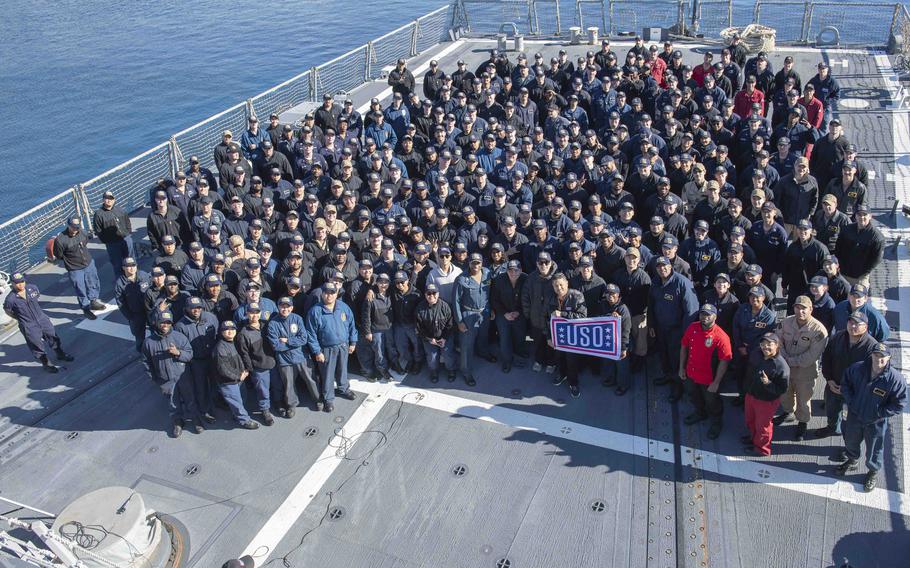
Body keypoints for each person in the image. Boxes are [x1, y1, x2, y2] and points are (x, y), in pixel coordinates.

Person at [837, 343, 907, 491]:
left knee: (875, 448)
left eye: (882, 357)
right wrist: (851, 402)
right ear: (871, 355)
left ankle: (873, 471)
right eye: (876, 355)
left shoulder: (895, 380)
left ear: (889, 358)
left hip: (876, 421)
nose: (878, 360)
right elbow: (845, 384)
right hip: (854, 416)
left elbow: (899, 404)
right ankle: (852, 459)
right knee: (850, 440)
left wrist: (880, 413)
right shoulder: (857, 369)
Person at [774, 296, 828, 441]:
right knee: (785, 392)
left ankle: (802, 422)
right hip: (785, 366)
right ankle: (788, 412)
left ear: (811, 309)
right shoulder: (785, 322)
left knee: (804, 398)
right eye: (797, 308)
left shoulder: (818, 330)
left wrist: (789, 360)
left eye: (804, 308)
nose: (800, 311)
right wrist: (783, 357)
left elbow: (811, 355)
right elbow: (777, 340)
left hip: (805, 370)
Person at [818, 311, 878, 438]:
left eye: (857, 324)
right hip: (834, 384)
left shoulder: (872, 346)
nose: (853, 326)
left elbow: (872, 373)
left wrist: (849, 389)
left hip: (856, 391)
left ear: (865, 327)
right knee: (832, 410)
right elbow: (827, 358)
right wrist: (829, 379)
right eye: (851, 322)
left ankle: (850, 447)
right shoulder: (838, 337)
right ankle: (832, 428)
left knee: (853, 420)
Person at [648, 256, 699, 402]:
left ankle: (678, 386)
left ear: (670, 266)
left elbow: (691, 310)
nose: (662, 269)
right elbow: (650, 304)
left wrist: (686, 333)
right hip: (660, 327)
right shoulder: (655, 282)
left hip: (677, 330)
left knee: (677, 358)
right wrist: (651, 324)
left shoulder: (682, 283)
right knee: (663, 354)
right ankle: (667, 376)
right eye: (658, 267)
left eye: (665, 266)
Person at [142, 311, 201, 438]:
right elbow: (146, 363)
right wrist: (155, 379)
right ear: (156, 323)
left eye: (168, 322)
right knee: (172, 403)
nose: (165, 325)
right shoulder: (148, 342)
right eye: (162, 322)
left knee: (190, 398)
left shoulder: (179, 337)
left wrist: (178, 353)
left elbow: (189, 354)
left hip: (183, 376)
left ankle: (195, 419)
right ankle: (178, 422)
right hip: (165, 379)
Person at [679, 304, 733, 439]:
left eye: (708, 315)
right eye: (702, 314)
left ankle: (716, 422)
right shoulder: (693, 327)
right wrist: (681, 368)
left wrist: (716, 382)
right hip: (691, 373)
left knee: (712, 402)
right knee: (693, 395)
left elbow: (724, 361)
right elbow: (684, 346)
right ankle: (700, 412)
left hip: (709, 378)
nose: (704, 318)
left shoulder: (721, 337)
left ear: (715, 317)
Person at [3, 272, 74, 373]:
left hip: (42, 319)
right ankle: (46, 363)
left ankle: (60, 354)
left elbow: (37, 297)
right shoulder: (10, 299)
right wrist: (21, 318)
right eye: (17, 283)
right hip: (29, 325)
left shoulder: (32, 288)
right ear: (12, 284)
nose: (21, 284)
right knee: (36, 344)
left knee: (52, 336)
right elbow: (8, 311)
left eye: (22, 281)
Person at [305, 283, 358, 413]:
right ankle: (328, 398)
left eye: (332, 292)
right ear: (322, 293)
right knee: (327, 374)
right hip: (326, 349)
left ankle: (343, 388)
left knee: (342, 369)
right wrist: (317, 351)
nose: (329, 295)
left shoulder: (343, 307)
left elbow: (352, 325)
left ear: (336, 293)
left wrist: (353, 342)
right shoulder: (315, 311)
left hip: (343, 346)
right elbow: (310, 334)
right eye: (326, 292)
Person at [269, 297, 321, 416]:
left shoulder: (297, 319)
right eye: (282, 306)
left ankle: (318, 399)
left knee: (311, 379)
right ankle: (291, 405)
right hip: (284, 360)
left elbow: (303, 339)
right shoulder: (273, 323)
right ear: (278, 307)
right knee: (289, 384)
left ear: (291, 308)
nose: (285, 309)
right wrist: (293, 343)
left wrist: (286, 341)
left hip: (301, 357)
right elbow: (276, 346)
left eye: (287, 306)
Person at [742, 332, 789, 456]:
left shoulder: (781, 366)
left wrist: (768, 383)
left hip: (766, 401)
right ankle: (753, 438)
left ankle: (762, 449)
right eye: (763, 344)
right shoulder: (757, 354)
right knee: (750, 420)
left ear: (777, 345)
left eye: (769, 344)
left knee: (763, 426)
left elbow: (782, 389)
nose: (765, 347)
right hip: (751, 395)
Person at [453, 253, 494, 386]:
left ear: (482, 263)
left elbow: (491, 293)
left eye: (478, 262)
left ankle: (482, 352)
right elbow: (456, 301)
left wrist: (492, 309)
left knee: (483, 336)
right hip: (468, 315)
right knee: (466, 345)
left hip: (485, 312)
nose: (476, 265)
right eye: (473, 263)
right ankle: (466, 371)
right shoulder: (461, 280)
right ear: (468, 263)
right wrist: (459, 321)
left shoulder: (487, 273)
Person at [52, 216, 105, 319]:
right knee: (80, 288)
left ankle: (93, 301)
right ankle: (85, 308)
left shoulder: (83, 232)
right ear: (68, 225)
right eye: (73, 227)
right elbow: (58, 255)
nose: (76, 229)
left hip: (88, 263)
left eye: (77, 227)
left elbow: (85, 242)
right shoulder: (61, 239)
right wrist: (71, 260)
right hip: (74, 268)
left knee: (93, 282)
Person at [212, 320, 260, 430]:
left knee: (241, 398)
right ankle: (244, 421)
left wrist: (243, 372)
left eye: (232, 329)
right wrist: (238, 376)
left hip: (239, 378)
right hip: (228, 382)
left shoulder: (233, 342)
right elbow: (223, 369)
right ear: (221, 332)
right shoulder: (220, 348)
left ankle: (237, 416)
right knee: (236, 402)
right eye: (226, 330)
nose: (230, 332)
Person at [547, 272, 588, 397]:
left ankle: (573, 383)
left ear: (567, 283)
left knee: (572, 361)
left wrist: (563, 314)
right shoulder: (551, 298)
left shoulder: (577, 296)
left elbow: (582, 317)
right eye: (556, 286)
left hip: (573, 337)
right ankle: (562, 374)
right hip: (558, 335)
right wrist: (549, 337)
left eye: (561, 285)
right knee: (559, 357)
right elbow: (546, 318)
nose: (559, 288)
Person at [235, 302, 275, 426]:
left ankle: (278, 404)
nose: (254, 315)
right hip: (259, 367)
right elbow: (244, 353)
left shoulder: (267, 325)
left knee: (277, 386)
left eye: (256, 312)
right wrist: (251, 369)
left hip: (273, 363)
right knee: (262, 391)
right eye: (251, 313)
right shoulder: (243, 333)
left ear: (260, 313)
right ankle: (265, 410)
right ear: (246, 314)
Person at [491, 259, 527, 373]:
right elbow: (494, 299)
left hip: (519, 313)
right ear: (507, 271)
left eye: (516, 270)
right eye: (510, 270)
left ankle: (519, 353)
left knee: (520, 336)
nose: (513, 273)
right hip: (503, 314)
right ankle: (506, 361)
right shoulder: (499, 280)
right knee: (504, 338)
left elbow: (528, 299)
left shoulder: (526, 279)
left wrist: (519, 312)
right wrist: (504, 313)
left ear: (521, 270)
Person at [415, 283, 457, 383]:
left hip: (445, 337)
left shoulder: (445, 306)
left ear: (438, 294)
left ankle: (451, 370)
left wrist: (444, 338)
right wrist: (430, 339)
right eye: (428, 293)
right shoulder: (419, 308)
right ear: (425, 295)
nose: (431, 296)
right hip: (429, 338)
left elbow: (450, 325)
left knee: (448, 354)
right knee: (432, 357)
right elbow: (419, 328)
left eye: (434, 293)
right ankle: (433, 371)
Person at [92, 190, 134, 276]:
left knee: (131, 260)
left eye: (110, 198)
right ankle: (121, 281)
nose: (108, 200)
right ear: (103, 200)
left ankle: (133, 277)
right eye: (106, 198)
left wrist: (128, 233)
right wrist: (107, 240)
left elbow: (127, 221)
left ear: (114, 199)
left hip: (125, 239)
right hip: (112, 243)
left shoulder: (120, 210)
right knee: (117, 263)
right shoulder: (99, 214)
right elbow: (98, 230)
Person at [601, 284, 632, 396]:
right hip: (608, 340)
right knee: (608, 361)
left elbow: (626, 330)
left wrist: (624, 348)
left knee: (621, 365)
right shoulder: (604, 304)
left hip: (620, 342)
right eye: (608, 293)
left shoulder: (623, 309)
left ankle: (623, 385)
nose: (610, 296)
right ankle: (611, 379)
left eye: (613, 294)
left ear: (618, 295)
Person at [114, 257, 150, 352]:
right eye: (128, 266)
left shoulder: (144, 275)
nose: (131, 268)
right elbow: (121, 303)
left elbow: (152, 289)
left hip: (149, 310)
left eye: (133, 265)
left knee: (156, 331)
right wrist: (131, 317)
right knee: (139, 337)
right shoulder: (120, 283)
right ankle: (142, 353)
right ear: (123, 268)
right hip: (136, 314)